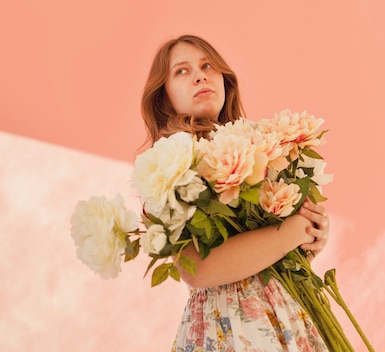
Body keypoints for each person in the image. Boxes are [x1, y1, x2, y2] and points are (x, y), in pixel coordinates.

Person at [140, 35, 331, 351]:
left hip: (287, 315)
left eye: (207, 65)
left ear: (224, 79)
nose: (200, 75)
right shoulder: (166, 167)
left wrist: (311, 236)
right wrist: (290, 232)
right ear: (165, 97)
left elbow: (272, 252)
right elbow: (198, 270)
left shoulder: (261, 147)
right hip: (229, 326)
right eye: (182, 71)